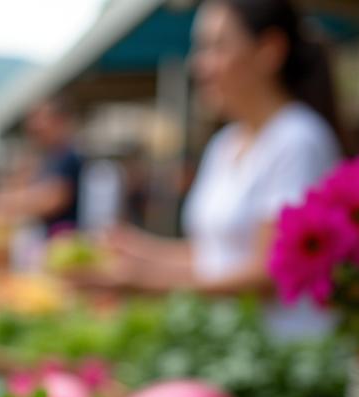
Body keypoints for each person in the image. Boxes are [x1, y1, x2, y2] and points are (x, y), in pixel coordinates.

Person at [85, 0, 342, 339]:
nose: (199, 65)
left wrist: (146, 282)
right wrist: (135, 250)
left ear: (269, 50)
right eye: (200, 49)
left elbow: (271, 273)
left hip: (284, 355)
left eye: (216, 47)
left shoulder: (298, 140)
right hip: (230, 344)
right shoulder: (225, 144)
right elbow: (213, 255)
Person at [0, 97, 84, 236]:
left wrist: (2, 201)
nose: (35, 126)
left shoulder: (69, 156)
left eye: (42, 119)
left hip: (64, 237)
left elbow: (53, 199)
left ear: (59, 121)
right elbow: (22, 185)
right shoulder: (48, 156)